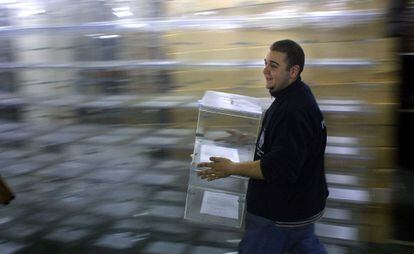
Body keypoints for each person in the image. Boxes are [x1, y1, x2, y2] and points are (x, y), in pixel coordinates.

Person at [198, 39, 329, 254]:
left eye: (273, 66)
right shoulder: (293, 95)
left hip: (278, 214)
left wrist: (231, 168)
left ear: (293, 71)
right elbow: (285, 142)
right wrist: (245, 138)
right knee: (303, 244)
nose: (265, 70)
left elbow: (279, 167)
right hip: (297, 208)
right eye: (265, 63)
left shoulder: (293, 111)